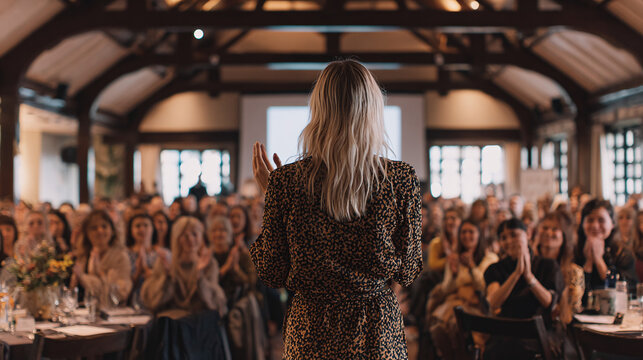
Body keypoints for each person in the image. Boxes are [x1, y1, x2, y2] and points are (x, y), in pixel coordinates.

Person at [250, 60, 422, 359]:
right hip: (376, 329)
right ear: (372, 109)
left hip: (312, 330)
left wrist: (276, 198)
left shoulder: (286, 182)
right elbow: (408, 270)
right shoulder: (401, 179)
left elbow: (272, 272)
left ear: (318, 109)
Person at [484, 218, 564, 359]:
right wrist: (516, 275)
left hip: (537, 335)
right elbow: (493, 302)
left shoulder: (547, 266)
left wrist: (528, 276)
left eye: (514, 235)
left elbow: (549, 303)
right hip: (505, 335)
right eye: (503, 238)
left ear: (528, 234)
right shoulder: (495, 269)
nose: (509, 241)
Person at [427, 220, 498, 360]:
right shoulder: (454, 258)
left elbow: (484, 288)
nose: (466, 236)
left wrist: (471, 267)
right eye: (463, 232)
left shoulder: (489, 258)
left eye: (471, 232)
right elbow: (446, 288)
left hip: (477, 305)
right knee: (437, 329)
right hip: (454, 303)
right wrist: (453, 273)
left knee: (457, 326)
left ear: (479, 235)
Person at [141, 216, 227, 318]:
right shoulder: (165, 261)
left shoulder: (209, 263)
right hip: (171, 324)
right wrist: (167, 276)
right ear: (176, 238)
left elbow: (216, 303)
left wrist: (200, 277)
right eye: (185, 236)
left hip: (200, 324)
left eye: (194, 234)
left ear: (201, 237)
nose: (190, 239)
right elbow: (152, 301)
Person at [574, 199, 637, 300]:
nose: (595, 225)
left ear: (612, 223)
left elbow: (626, 292)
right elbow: (575, 296)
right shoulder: (574, 251)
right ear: (582, 224)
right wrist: (588, 262)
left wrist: (598, 260)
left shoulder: (623, 253)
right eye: (590, 220)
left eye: (601, 220)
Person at [71, 210, 132, 307]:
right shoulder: (82, 256)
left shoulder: (120, 257)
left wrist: (84, 277)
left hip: (114, 313)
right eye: (94, 228)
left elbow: (121, 293)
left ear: (112, 231)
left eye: (104, 226)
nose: (100, 231)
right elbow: (72, 290)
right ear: (87, 233)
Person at [536, 211, 584, 324]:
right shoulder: (530, 265)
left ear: (564, 235)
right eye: (545, 228)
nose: (548, 233)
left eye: (554, 229)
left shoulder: (573, 272)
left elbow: (572, 308)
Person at [207, 215, 256, 308]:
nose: (218, 234)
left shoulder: (240, 255)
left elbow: (251, 283)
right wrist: (226, 268)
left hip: (237, 305)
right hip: (213, 303)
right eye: (214, 230)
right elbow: (207, 285)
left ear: (229, 233)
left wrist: (236, 269)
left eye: (222, 230)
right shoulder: (207, 257)